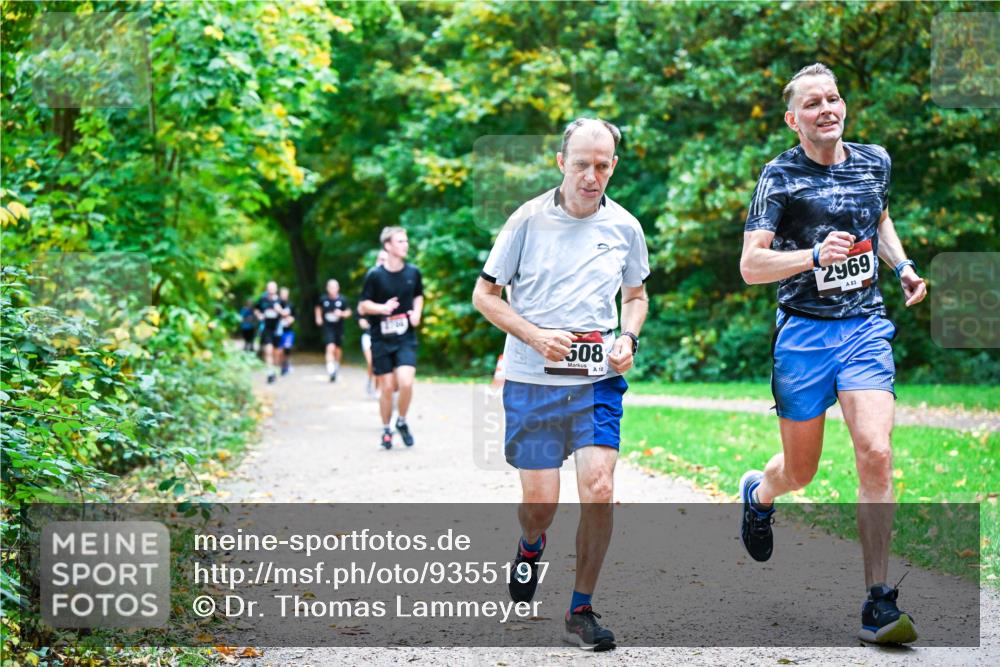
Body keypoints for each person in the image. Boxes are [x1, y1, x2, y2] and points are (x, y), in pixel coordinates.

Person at [738, 63, 927, 645]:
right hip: (803, 334)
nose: (828, 108)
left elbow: (881, 217)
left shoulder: (876, 161)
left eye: (835, 98)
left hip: (864, 327)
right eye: (814, 103)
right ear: (794, 119)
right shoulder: (779, 176)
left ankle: (878, 600)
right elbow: (750, 267)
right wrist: (814, 255)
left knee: (875, 451)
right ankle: (760, 494)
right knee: (801, 470)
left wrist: (902, 265)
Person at [472, 118, 649, 652]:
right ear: (560, 163)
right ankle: (531, 545)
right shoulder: (526, 221)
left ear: (613, 165)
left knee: (599, 490)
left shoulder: (626, 227)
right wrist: (534, 335)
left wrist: (629, 339)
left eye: (602, 165)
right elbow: (485, 296)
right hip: (532, 381)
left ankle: (581, 608)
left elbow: (635, 297)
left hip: (596, 381)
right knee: (541, 505)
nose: (592, 176)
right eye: (582, 165)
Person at [359, 229, 424, 450]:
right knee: (387, 387)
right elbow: (363, 305)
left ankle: (402, 421)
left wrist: (417, 313)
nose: (406, 244)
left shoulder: (413, 272)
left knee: (406, 382)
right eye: (400, 241)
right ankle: (386, 429)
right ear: (388, 245)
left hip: (405, 337)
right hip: (381, 338)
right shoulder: (375, 275)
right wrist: (382, 308)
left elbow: (418, 295)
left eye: (406, 240)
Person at [359, 250, 388, 396]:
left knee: (382, 365)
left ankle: (379, 389)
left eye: (385, 259)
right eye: (381, 259)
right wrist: (362, 320)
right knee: (372, 362)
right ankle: (372, 383)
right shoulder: (372, 278)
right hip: (370, 334)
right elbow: (361, 307)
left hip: (388, 333)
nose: (383, 262)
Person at [315, 279, 352, 382]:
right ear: (327, 288)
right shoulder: (323, 299)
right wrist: (318, 318)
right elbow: (318, 307)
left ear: (338, 288)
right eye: (331, 287)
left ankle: (336, 366)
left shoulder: (343, 300)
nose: (332, 289)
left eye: (334, 287)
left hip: (339, 327)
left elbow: (349, 312)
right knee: (330, 347)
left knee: (337, 349)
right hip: (328, 327)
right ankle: (330, 370)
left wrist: (341, 314)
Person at [254, 281, 286, 384]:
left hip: (277, 329)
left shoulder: (281, 300)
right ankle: (270, 372)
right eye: (269, 288)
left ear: (276, 289)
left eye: (273, 288)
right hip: (267, 328)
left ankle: (275, 369)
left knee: (276, 353)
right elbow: (256, 309)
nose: (271, 290)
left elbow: (287, 314)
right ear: (267, 289)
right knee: (268, 350)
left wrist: (279, 310)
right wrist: (259, 315)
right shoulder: (262, 299)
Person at [275, 286, 296, 375]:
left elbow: (294, 316)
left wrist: (291, 319)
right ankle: (282, 366)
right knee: (279, 350)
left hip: (288, 331)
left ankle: (286, 364)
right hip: (278, 331)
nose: (284, 295)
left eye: (285, 294)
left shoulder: (291, 305)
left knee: (287, 347)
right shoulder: (275, 304)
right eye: (282, 294)